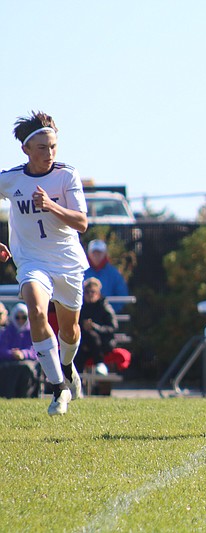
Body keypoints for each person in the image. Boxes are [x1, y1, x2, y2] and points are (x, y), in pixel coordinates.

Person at [0, 111, 88, 416]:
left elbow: (82, 223)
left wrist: (50, 205)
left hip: (67, 261)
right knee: (36, 311)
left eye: (53, 146)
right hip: (31, 261)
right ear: (26, 149)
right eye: (42, 148)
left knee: (71, 331)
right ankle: (57, 387)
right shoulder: (11, 180)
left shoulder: (66, 175)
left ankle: (66, 367)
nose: (49, 153)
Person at [76, 277, 118, 373]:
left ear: (98, 293)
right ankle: (76, 380)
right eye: (87, 292)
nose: (90, 294)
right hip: (84, 344)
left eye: (93, 292)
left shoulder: (104, 307)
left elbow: (112, 327)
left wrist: (95, 327)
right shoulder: (80, 307)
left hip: (102, 344)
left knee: (92, 335)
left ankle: (99, 363)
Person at [0, 303, 39, 398]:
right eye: (17, 317)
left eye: (24, 317)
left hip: (28, 364)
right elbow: (2, 349)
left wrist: (23, 354)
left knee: (26, 368)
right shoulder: (6, 332)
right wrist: (12, 354)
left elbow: (36, 351)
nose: (20, 320)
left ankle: (25, 395)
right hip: (8, 364)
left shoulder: (33, 332)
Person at [85, 238, 129, 312]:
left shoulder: (114, 274)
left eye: (99, 253)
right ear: (89, 254)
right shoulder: (81, 272)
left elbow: (122, 295)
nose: (96, 256)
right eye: (94, 253)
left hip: (107, 317)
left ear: (104, 254)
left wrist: (108, 311)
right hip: (84, 316)